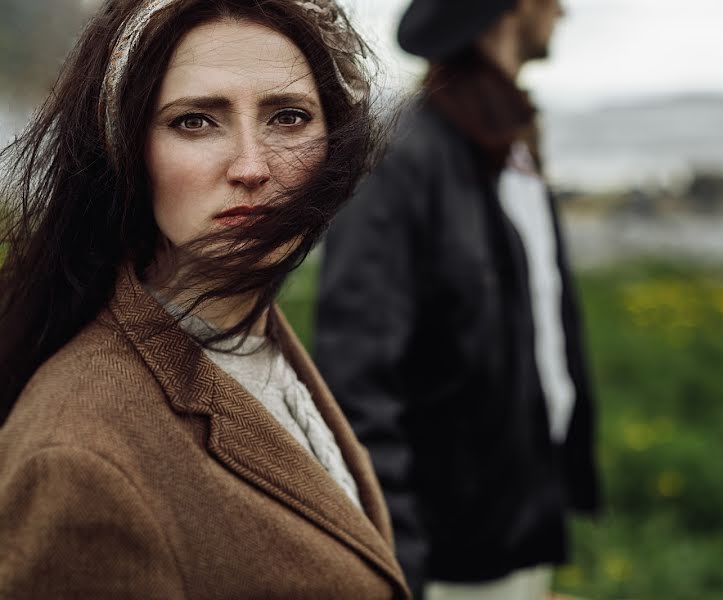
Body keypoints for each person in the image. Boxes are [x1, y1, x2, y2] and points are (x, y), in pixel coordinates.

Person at [0, 1, 410, 598]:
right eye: (195, 121)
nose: (251, 166)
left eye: (289, 117)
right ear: (127, 150)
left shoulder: (252, 335)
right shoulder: (77, 463)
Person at [314, 0, 603, 598]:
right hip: (442, 555)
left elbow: (542, 337)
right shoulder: (403, 156)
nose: (565, 12)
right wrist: (397, 561)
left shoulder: (511, 146)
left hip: (515, 523)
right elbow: (357, 377)